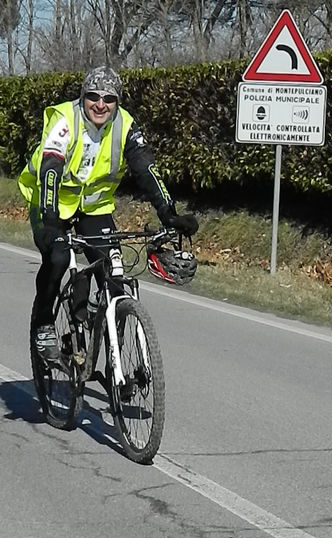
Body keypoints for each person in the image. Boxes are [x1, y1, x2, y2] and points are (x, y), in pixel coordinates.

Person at [18, 66, 198, 361]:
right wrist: (50, 218)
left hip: (94, 207)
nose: (100, 104)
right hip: (50, 203)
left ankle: (114, 350)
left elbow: (146, 170)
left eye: (109, 98)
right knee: (59, 258)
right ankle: (43, 323)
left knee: (112, 270)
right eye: (93, 96)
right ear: (82, 97)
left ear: (118, 101)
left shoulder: (125, 125)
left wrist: (169, 214)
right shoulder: (66, 120)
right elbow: (51, 169)